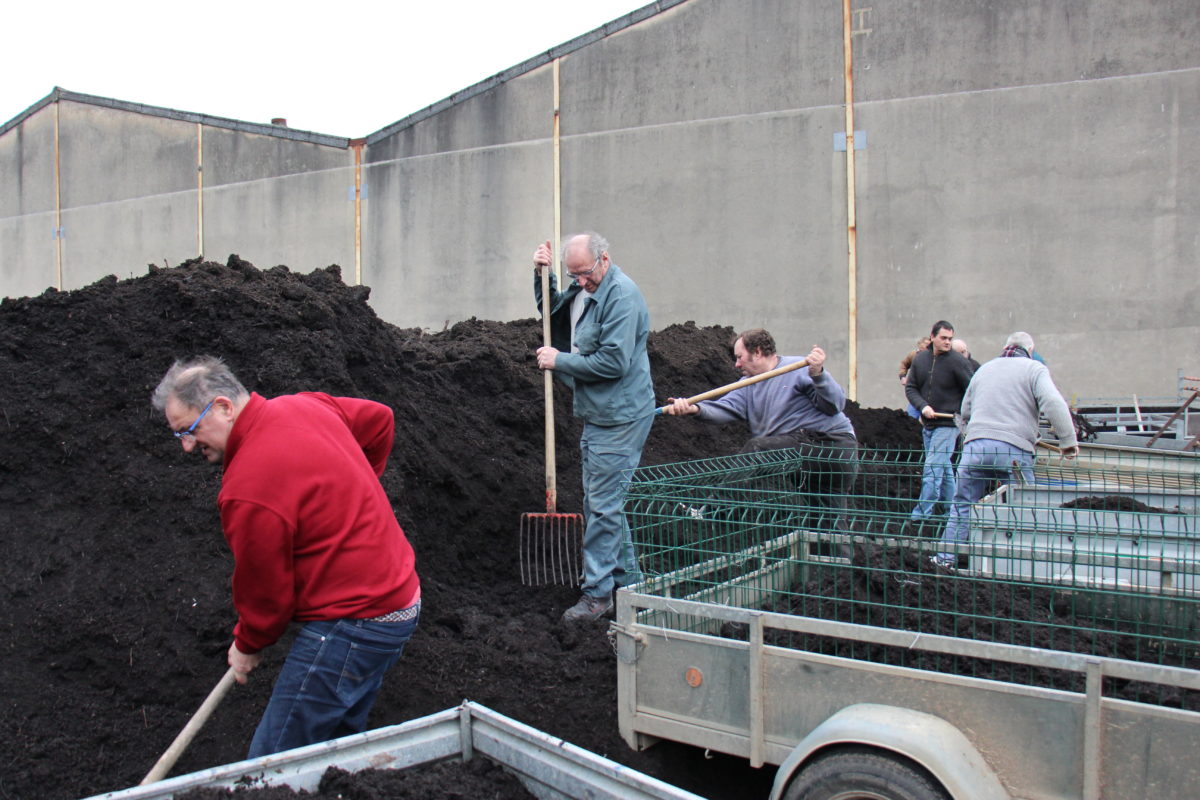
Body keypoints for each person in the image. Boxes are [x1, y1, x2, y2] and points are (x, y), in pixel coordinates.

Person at [151, 356, 421, 758]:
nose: (188, 445)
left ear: (224, 407)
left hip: (356, 621)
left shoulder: (247, 486)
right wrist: (353, 489)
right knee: (338, 743)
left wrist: (247, 645)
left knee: (274, 761)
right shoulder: (304, 405)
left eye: (190, 430)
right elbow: (379, 419)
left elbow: (267, 593)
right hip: (400, 605)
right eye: (180, 436)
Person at [531, 232, 655, 623]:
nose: (580, 282)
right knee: (605, 503)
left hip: (620, 414)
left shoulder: (621, 296)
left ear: (604, 259)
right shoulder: (584, 285)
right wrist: (542, 276)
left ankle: (598, 595)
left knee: (601, 506)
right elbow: (553, 318)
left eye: (584, 274)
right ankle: (632, 586)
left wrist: (560, 362)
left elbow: (613, 363)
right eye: (573, 275)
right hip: (599, 412)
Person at [664, 329, 859, 527]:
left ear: (757, 352)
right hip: (803, 457)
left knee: (759, 449)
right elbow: (722, 409)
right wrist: (693, 408)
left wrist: (818, 375)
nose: (737, 364)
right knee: (826, 525)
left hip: (830, 445)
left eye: (740, 357)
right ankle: (834, 555)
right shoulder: (748, 385)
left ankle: (714, 511)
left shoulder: (797, 368)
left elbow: (835, 404)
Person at [933, 332, 1079, 567]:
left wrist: (972, 435)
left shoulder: (984, 370)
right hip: (1013, 450)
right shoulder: (1034, 369)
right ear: (1030, 350)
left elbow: (965, 411)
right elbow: (1052, 402)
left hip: (975, 449)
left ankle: (944, 560)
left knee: (961, 506)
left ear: (1005, 347)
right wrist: (1068, 441)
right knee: (1023, 507)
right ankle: (1018, 566)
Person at [903, 320, 975, 532]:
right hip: (929, 422)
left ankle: (920, 516)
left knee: (932, 468)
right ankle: (949, 511)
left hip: (949, 423)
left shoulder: (957, 362)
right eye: (943, 338)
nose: (947, 342)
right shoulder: (921, 360)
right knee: (943, 468)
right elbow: (911, 388)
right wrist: (923, 406)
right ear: (932, 336)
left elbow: (971, 390)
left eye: (950, 339)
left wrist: (963, 414)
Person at [899, 336, 931, 419]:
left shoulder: (934, 358)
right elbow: (904, 364)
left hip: (929, 393)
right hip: (916, 391)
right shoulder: (913, 355)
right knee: (911, 418)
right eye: (920, 351)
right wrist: (902, 376)